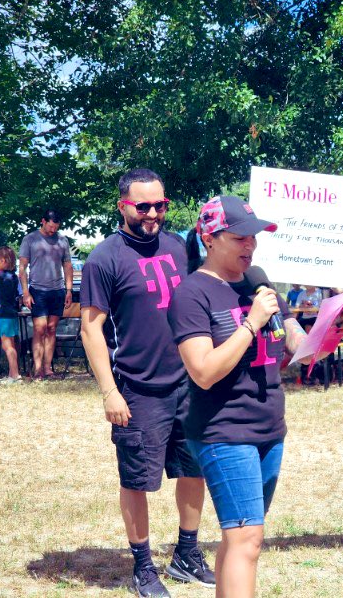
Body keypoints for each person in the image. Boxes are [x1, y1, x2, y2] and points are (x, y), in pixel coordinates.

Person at [169, 195, 343, 598]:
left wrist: (330, 333)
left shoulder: (260, 280)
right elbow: (202, 372)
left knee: (240, 538)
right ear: (209, 238)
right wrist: (251, 323)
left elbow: (295, 349)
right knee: (247, 539)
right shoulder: (191, 294)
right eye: (240, 238)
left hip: (270, 427)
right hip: (223, 430)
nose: (250, 246)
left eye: (254, 238)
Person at [80, 169, 213, 598]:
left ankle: (186, 555)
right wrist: (109, 391)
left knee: (194, 469)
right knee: (137, 479)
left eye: (160, 205)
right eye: (143, 206)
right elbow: (90, 329)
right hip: (138, 390)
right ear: (123, 206)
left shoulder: (177, 246)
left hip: (189, 384)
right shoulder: (104, 258)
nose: (153, 213)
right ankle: (142, 566)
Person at [19, 209, 73, 380]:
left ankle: (48, 368)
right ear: (43, 221)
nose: (52, 230)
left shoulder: (62, 240)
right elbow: (22, 268)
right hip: (37, 290)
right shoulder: (30, 239)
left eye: (56, 227)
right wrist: (26, 292)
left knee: (51, 329)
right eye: (50, 226)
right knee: (39, 329)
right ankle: (37, 369)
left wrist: (69, 290)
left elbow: (68, 266)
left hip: (57, 290)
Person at [0, 246, 22, 385]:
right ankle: (12, 373)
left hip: (3, 314)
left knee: (7, 345)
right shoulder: (14, 276)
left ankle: (15, 375)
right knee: (12, 344)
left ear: (3, 261)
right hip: (12, 313)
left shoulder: (1, 276)